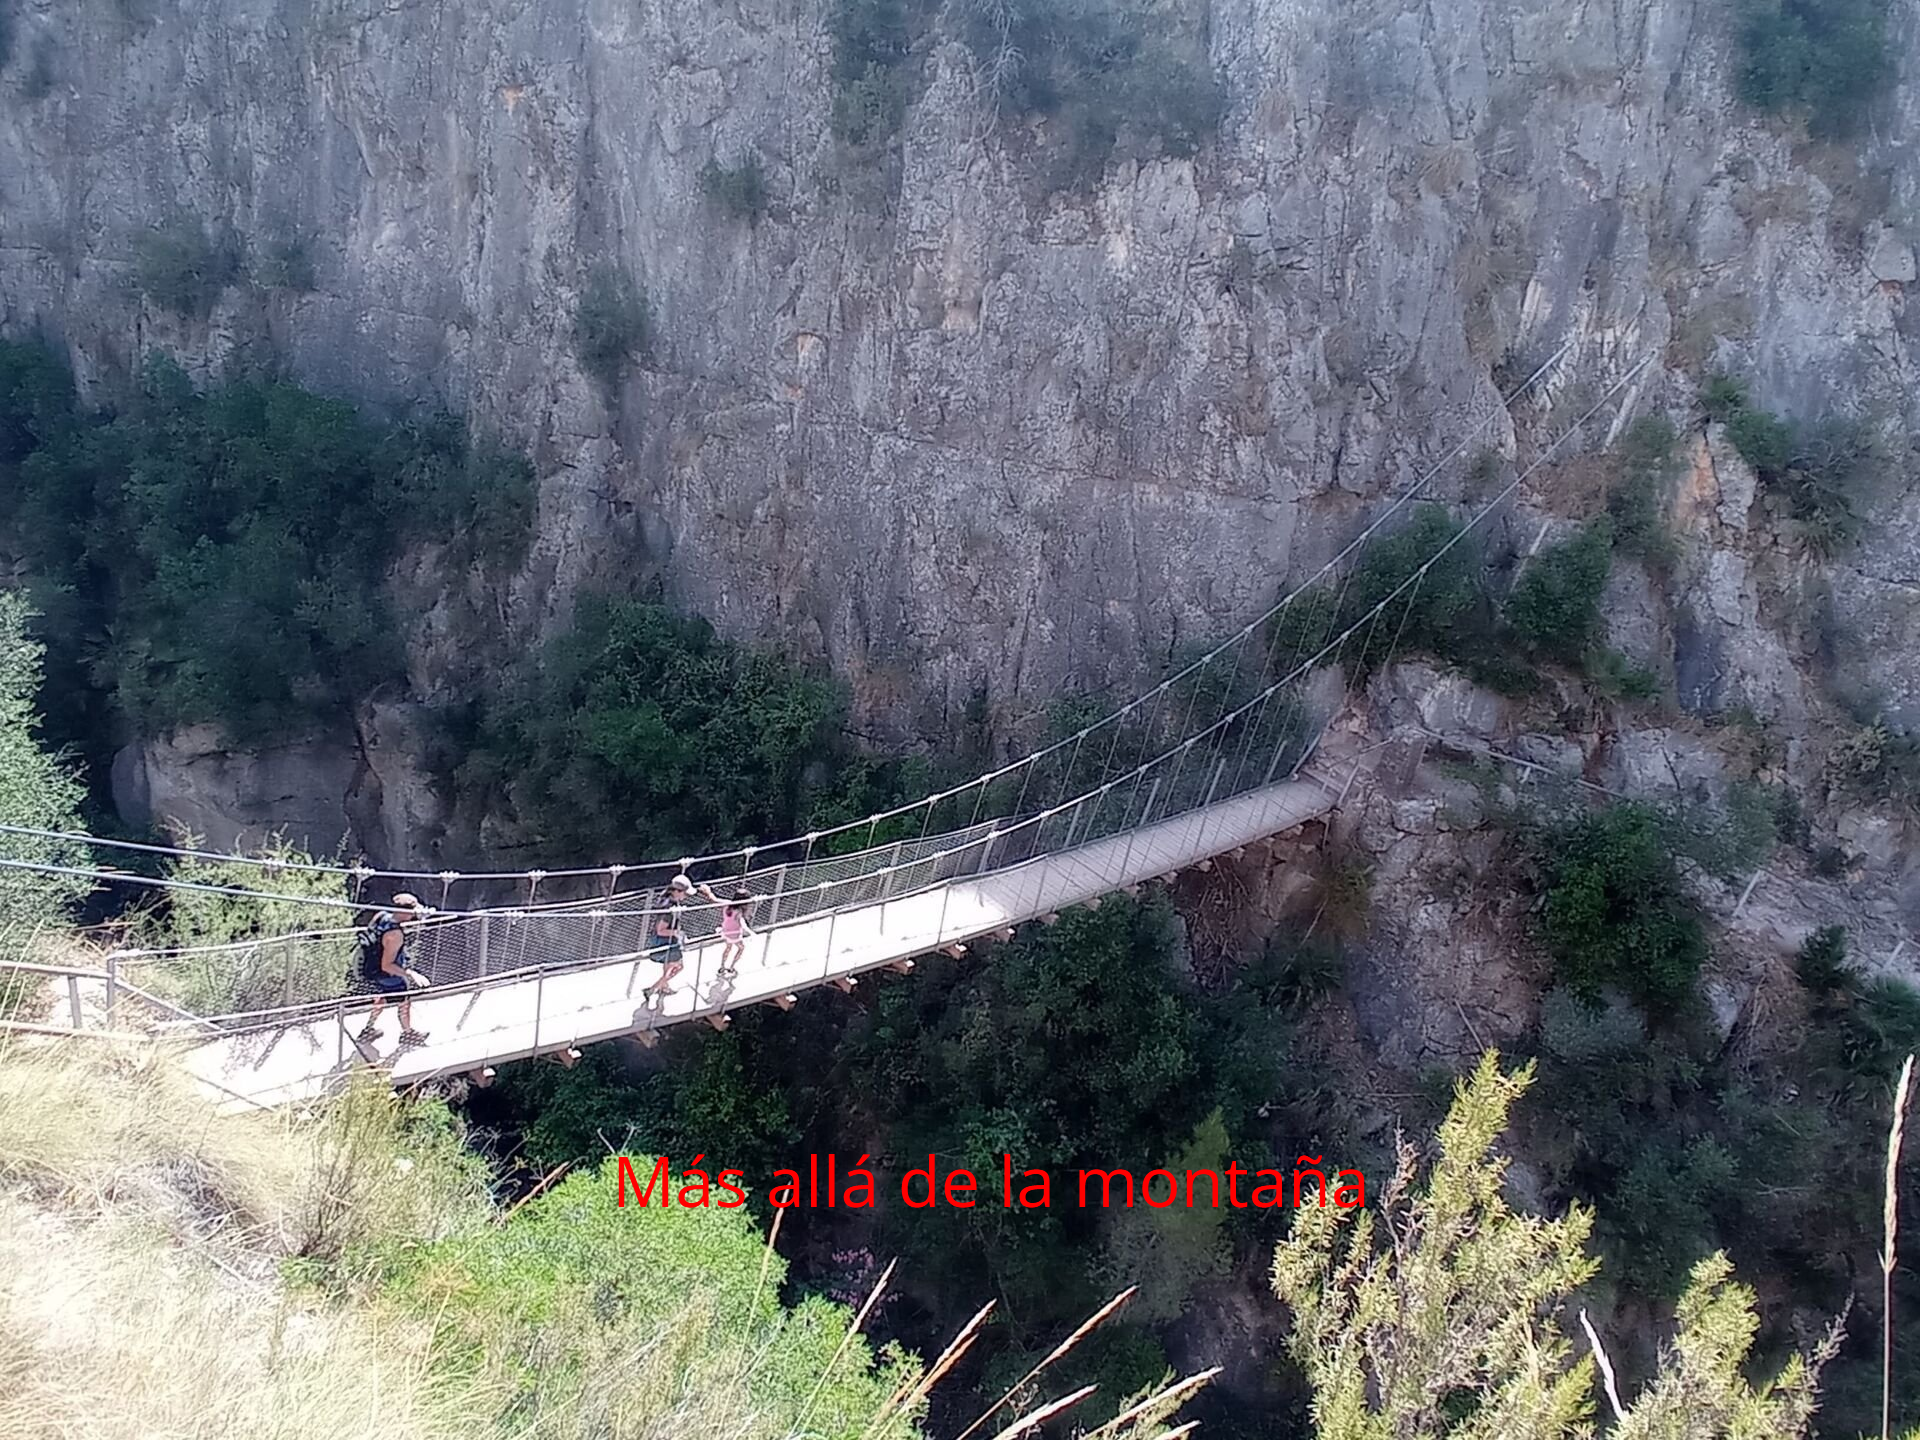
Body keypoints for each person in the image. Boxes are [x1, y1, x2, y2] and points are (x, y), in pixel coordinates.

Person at [356, 892, 431, 1047]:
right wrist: (410, 974)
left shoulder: (381, 915)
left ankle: (368, 1029)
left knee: (381, 999)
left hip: (371, 968)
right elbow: (387, 964)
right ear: (405, 912)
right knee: (404, 1002)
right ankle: (408, 1034)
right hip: (388, 974)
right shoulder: (395, 934)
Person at [642, 872, 719, 1004]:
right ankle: (652, 989)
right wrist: (678, 933)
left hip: (665, 941)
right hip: (667, 941)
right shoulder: (669, 910)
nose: (686, 896)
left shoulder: (666, 900)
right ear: (677, 891)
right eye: (685, 893)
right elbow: (661, 930)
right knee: (679, 966)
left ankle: (664, 987)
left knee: (668, 966)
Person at [717, 888, 755, 979]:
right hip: (735, 933)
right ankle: (731, 967)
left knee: (728, 948)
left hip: (726, 931)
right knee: (741, 948)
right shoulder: (739, 911)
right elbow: (742, 923)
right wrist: (750, 932)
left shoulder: (726, 905)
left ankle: (722, 967)